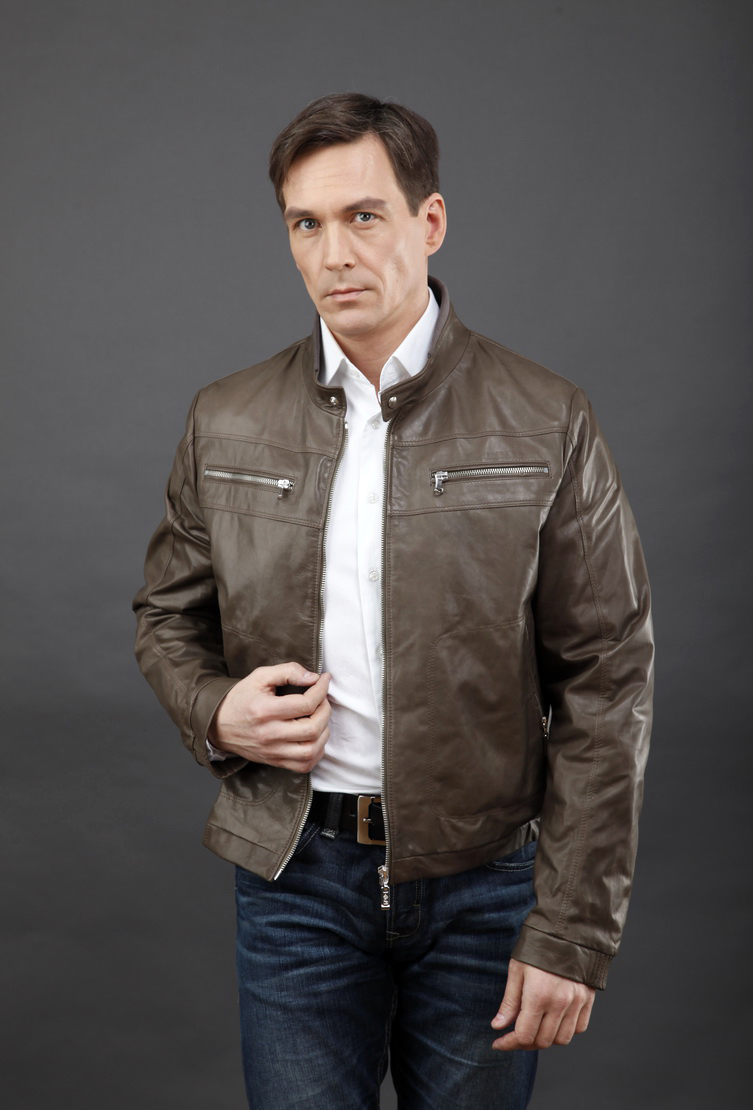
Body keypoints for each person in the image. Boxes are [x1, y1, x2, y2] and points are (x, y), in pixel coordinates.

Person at [133, 92, 653, 1109]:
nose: (334, 254)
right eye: (306, 223)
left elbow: (607, 677)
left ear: (430, 221)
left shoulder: (546, 418)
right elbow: (166, 618)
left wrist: (572, 929)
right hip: (294, 878)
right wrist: (215, 711)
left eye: (363, 216)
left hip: (485, 885)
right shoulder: (225, 419)